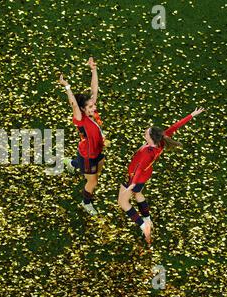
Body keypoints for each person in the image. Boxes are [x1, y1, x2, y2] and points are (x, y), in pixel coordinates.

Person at [117, 108, 205, 243]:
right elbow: (175, 127)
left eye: (146, 133)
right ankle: (147, 218)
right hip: (144, 175)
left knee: (123, 202)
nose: (145, 133)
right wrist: (191, 115)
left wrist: (132, 184)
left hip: (136, 176)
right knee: (138, 194)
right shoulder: (161, 141)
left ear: (151, 138)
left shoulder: (147, 151)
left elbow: (139, 168)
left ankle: (144, 225)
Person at [59, 57, 106, 216]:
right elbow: (73, 103)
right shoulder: (81, 119)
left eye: (94, 105)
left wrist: (93, 69)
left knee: (96, 172)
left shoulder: (92, 112)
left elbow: (94, 89)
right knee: (92, 181)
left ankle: (71, 164)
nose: (95, 107)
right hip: (88, 154)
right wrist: (67, 87)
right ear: (83, 109)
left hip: (96, 151)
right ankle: (85, 202)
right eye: (91, 106)